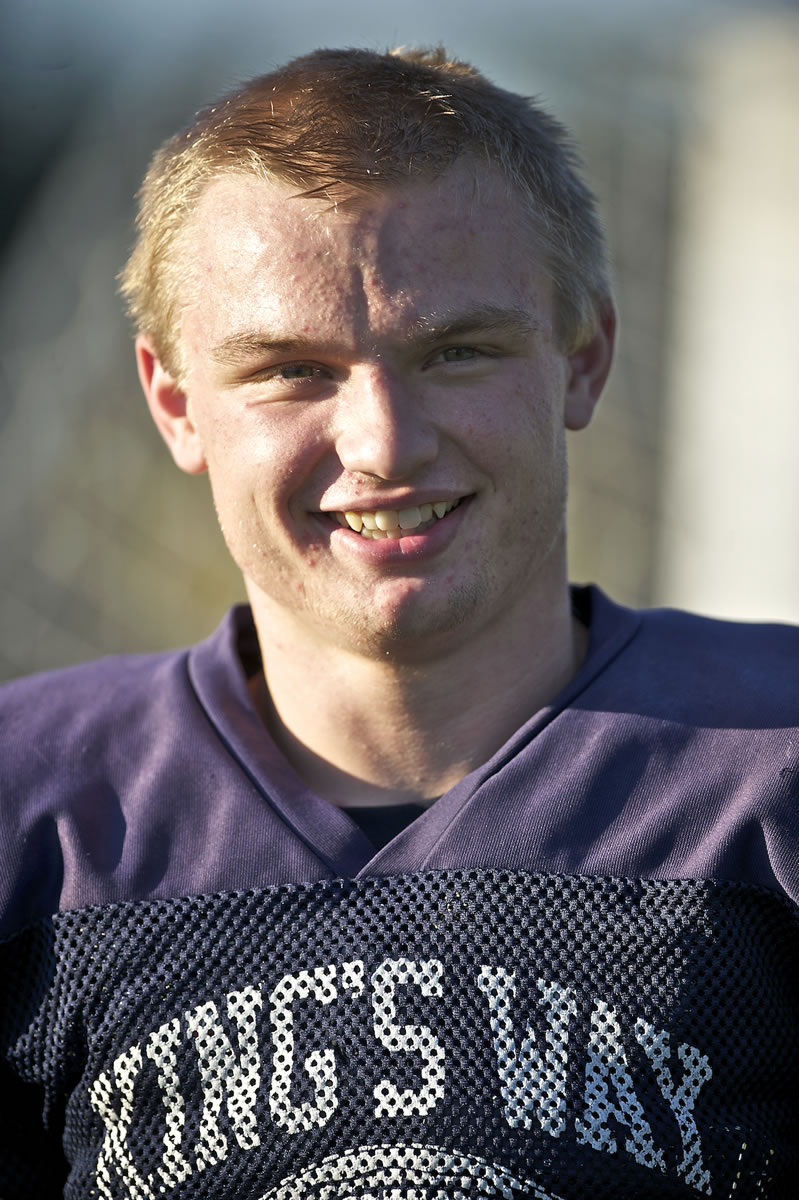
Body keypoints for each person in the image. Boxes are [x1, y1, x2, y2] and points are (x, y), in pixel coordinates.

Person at [0, 46, 797, 1200]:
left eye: (455, 351)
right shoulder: (34, 813)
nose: (382, 443)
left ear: (583, 359)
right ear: (175, 403)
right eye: (291, 370)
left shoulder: (765, 775)